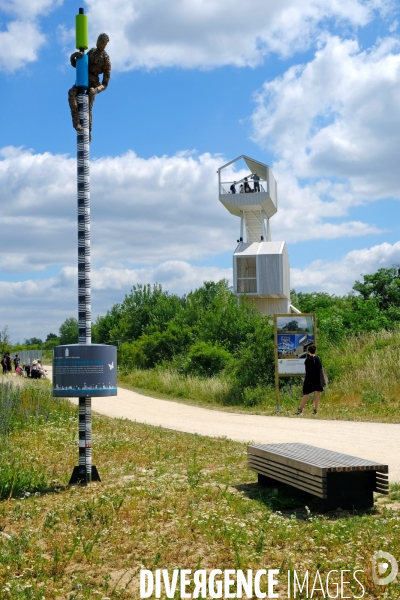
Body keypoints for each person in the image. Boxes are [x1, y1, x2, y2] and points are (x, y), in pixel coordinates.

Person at [68, 33, 111, 138]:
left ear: (105, 44)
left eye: (102, 42)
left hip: (94, 83)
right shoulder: (91, 51)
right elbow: (78, 65)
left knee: (88, 106)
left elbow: (105, 84)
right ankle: (76, 123)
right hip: (83, 77)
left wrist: (96, 90)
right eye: (99, 41)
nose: (99, 44)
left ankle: (88, 132)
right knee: (71, 94)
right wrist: (74, 56)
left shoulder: (106, 59)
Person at [295, 345, 324, 415]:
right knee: (316, 394)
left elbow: (307, 370)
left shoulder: (307, 360)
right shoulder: (318, 359)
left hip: (309, 379)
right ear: (315, 351)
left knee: (306, 394)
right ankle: (316, 410)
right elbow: (320, 368)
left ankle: (300, 409)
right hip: (317, 379)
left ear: (308, 352)